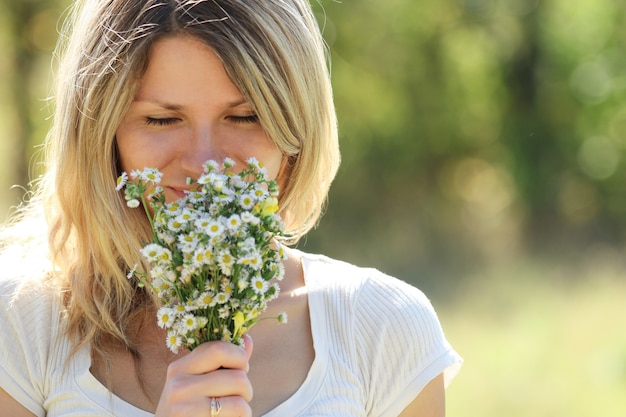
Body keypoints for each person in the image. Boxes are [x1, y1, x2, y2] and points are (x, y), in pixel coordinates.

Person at [0, 0, 462, 416]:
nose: (204, 164)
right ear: (102, 135)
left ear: (296, 126)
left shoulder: (382, 327)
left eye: (245, 117)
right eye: (162, 119)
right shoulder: (23, 324)